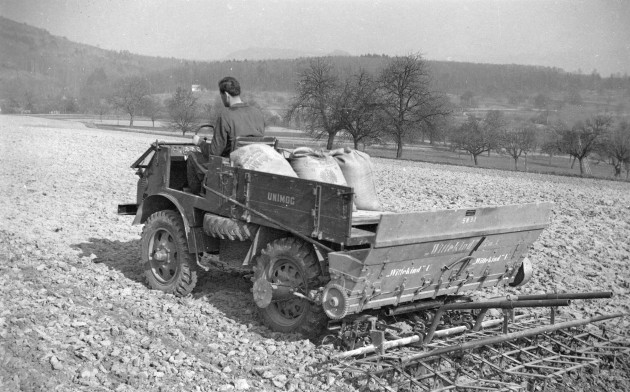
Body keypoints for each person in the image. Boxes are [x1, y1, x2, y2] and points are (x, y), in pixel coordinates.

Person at [187, 77, 265, 193]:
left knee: (192, 156)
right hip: (253, 166)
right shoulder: (257, 113)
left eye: (221, 96)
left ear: (226, 95)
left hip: (230, 170)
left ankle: (198, 195)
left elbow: (214, 153)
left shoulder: (225, 115)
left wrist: (199, 142)